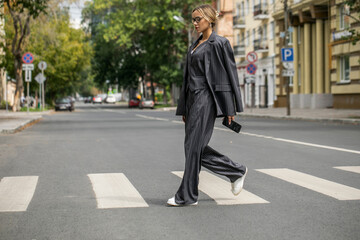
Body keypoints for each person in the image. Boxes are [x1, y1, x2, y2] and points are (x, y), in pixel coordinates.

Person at [167, 4, 248, 207]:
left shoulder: (220, 43)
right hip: (192, 100)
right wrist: (184, 107)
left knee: (193, 147)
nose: (195, 23)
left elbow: (229, 76)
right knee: (193, 148)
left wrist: (231, 108)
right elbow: (187, 80)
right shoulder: (193, 45)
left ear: (210, 19)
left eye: (198, 19)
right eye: (193, 19)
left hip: (206, 98)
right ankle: (235, 171)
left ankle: (186, 196)